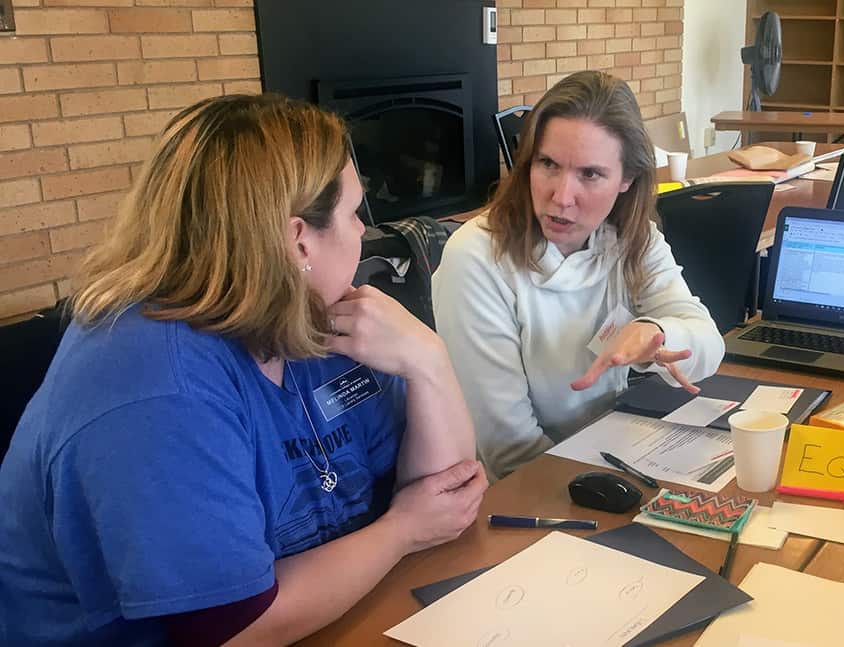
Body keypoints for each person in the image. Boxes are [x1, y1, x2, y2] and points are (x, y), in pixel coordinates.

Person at [0, 94, 486, 646]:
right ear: (298, 239)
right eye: (355, 212)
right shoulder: (154, 385)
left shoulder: (311, 313)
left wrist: (428, 360)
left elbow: (446, 497)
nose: (362, 231)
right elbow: (233, 629)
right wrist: (402, 531)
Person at [432, 71, 724, 481]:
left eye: (590, 174)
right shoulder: (476, 258)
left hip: (609, 454)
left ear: (627, 180)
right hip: (526, 492)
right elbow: (509, 451)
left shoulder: (632, 238)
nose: (561, 196)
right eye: (548, 164)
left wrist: (656, 331)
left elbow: (708, 346)